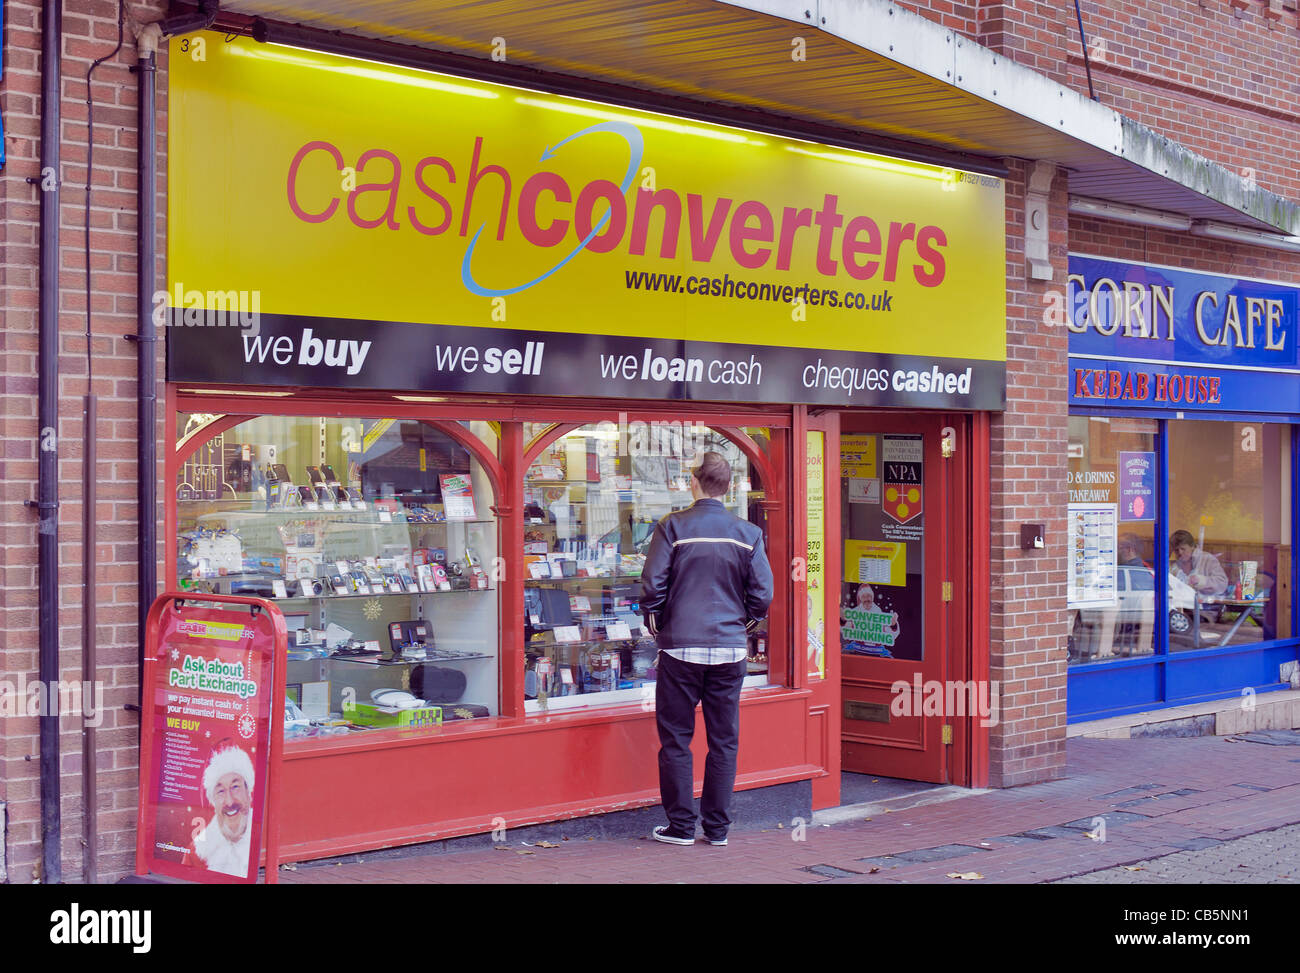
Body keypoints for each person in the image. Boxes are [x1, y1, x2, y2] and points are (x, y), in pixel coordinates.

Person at [640, 451, 773, 847]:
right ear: (729, 487)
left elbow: (652, 587)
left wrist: (661, 627)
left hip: (680, 649)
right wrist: (742, 627)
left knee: (676, 738)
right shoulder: (748, 533)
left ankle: (680, 827)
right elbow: (762, 595)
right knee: (724, 740)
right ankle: (717, 830)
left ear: (693, 483)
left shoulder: (673, 526)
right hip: (730, 650)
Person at [186, 742, 255, 877]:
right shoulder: (197, 852)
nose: (229, 801)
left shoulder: (264, 836)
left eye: (235, 787)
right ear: (213, 802)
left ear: (248, 792)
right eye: (221, 791)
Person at [1169, 529, 1228, 598]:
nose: (1180, 552)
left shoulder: (1207, 559)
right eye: (1176, 550)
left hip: (1206, 605)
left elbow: (1222, 584)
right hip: (1181, 605)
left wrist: (1202, 581)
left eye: (1183, 549)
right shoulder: (1174, 565)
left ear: (1192, 546)